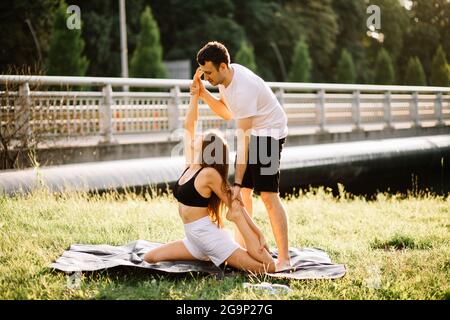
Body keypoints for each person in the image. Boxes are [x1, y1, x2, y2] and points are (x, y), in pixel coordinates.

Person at [144, 69, 276, 274]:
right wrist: (195, 95)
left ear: (208, 149)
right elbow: (189, 125)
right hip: (193, 240)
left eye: (203, 136)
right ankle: (216, 252)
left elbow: (234, 202)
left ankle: (255, 248)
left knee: (266, 268)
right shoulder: (191, 165)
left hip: (210, 239)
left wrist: (256, 230)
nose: (197, 136)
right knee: (149, 257)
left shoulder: (209, 175)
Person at [192, 41, 291, 270]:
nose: (207, 77)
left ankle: (284, 259)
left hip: (269, 133)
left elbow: (243, 141)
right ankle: (244, 250)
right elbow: (227, 113)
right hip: (255, 132)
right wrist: (203, 93)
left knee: (268, 196)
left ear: (223, 66)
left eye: (209, 73)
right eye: (204, 73)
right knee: (243, 195)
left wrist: (236, 181)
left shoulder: (243, 88)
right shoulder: (224, 80)